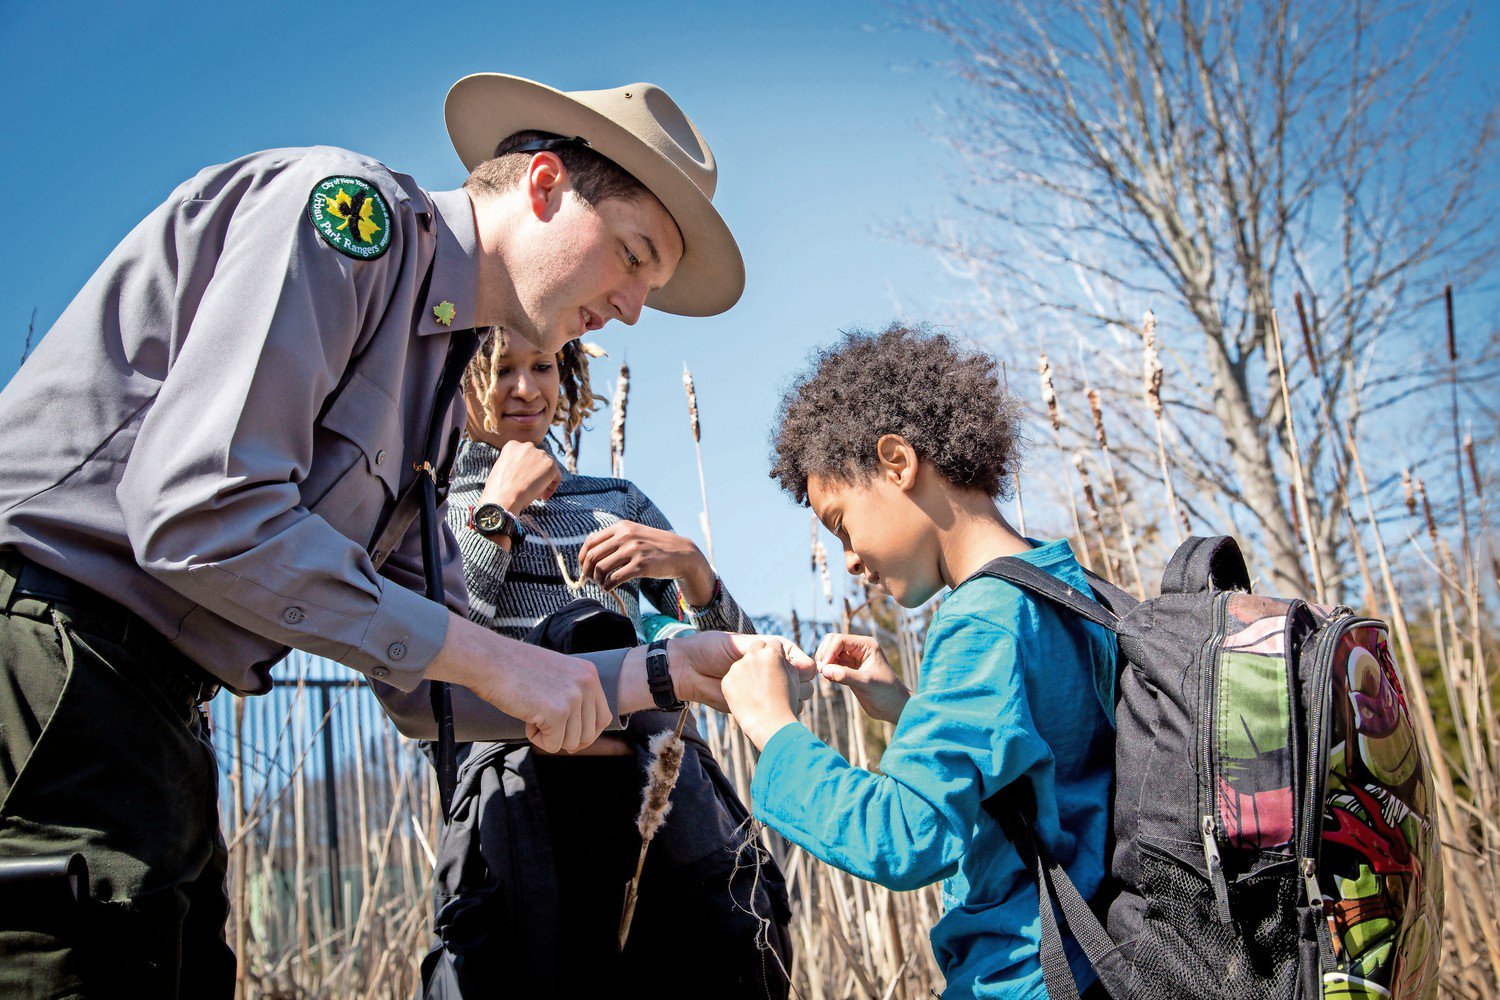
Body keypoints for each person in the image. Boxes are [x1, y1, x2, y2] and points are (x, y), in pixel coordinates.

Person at [0, 73, 809, 997]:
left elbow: (428, 677)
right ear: (544, 186)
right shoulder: (349, 218)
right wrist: (495, 656)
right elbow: (198, 508)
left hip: (160, 713)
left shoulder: (431, 376)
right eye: (632, 257)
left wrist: (661, 673)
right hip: (48, 653)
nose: (631, 308)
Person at [719, 324, 1117, 999]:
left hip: (1029, 975)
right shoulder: (1069, 588)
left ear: (898, 461)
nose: (848, 558)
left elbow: (902, 834)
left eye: (841, 523)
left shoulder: (982, 621)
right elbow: (1039, 776)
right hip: (1098, 961)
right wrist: (909, 709)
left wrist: (774, 730)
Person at [418, 330, 790, 996]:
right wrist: (495, 517)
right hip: (520, 819)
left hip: (657, 811)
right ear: (457, 380)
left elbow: (749, 673)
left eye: (543, 366)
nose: (528, 389)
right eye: (503, 369)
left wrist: (695, 573)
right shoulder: (426, 506)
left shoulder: (615, 501)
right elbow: (433, 672)